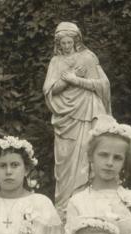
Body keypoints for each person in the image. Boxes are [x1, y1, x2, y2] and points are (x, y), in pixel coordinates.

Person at [43, 21, 111, 208]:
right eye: (62, 43)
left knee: (87, 156)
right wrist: (67, 80)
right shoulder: (55, 62)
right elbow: (50, 90)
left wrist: (75, 80)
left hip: (88, 111)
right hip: (65, 118)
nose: (66, 46)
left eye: (69, 42)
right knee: (64, 163)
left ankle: (86, 205)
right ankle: (64, 208)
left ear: (75, 41)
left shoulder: (88, 58)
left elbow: (102, 85)